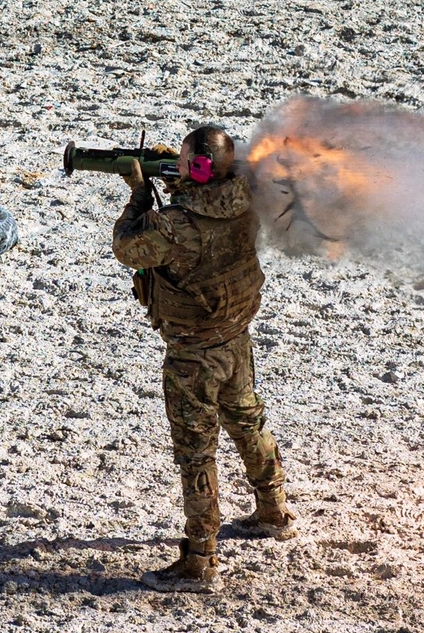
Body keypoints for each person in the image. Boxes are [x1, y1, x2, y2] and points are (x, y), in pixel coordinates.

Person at [111, 126, 297, 594]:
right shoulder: (248, 199)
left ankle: (200, 560)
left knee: (196, 453)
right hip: (235, 338)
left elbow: (128, 247)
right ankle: (273, 511)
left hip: (193, 354)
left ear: (196, 168)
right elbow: (210, 202)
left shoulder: (173, 225)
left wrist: (138, 194)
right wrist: (175, 178)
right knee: (248, 422)